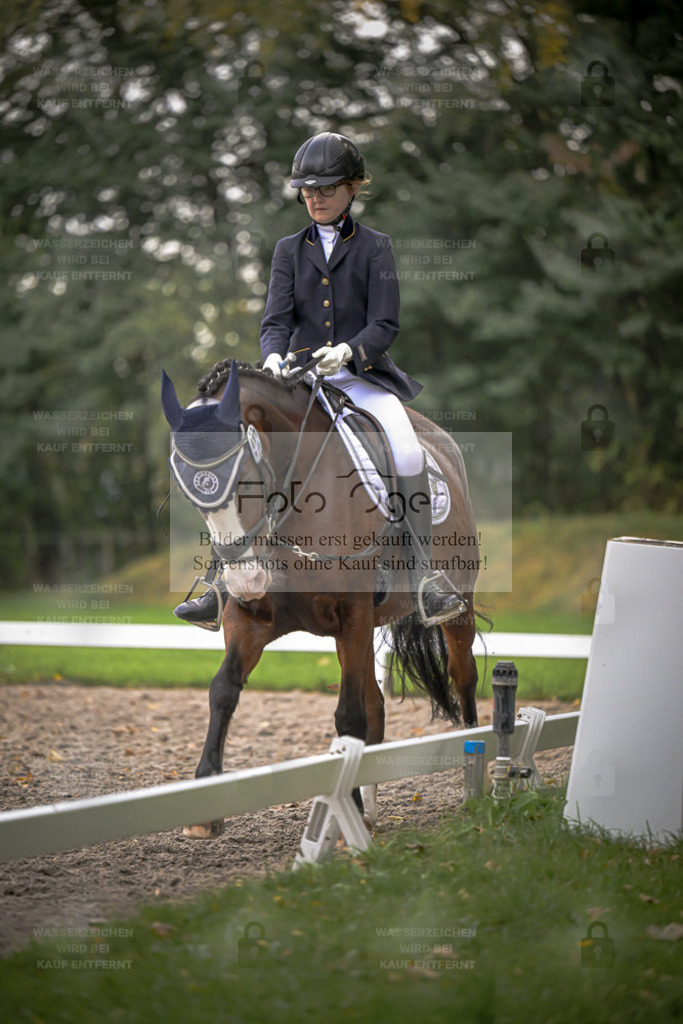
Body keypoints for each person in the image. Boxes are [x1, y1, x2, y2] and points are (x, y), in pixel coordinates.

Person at [175, 131, 465, 628]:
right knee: (244, 453)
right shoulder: (288, 249)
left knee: (409, 450)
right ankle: (217, 583)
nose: (314, 197)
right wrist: (272, 359)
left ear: (352, 188)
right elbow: (275, 321)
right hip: (299, 383)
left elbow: (386, 323)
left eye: (326, 188)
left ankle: (423, 579)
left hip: (360, 380)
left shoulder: (376, 247)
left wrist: (351, 351)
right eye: (306, 190)